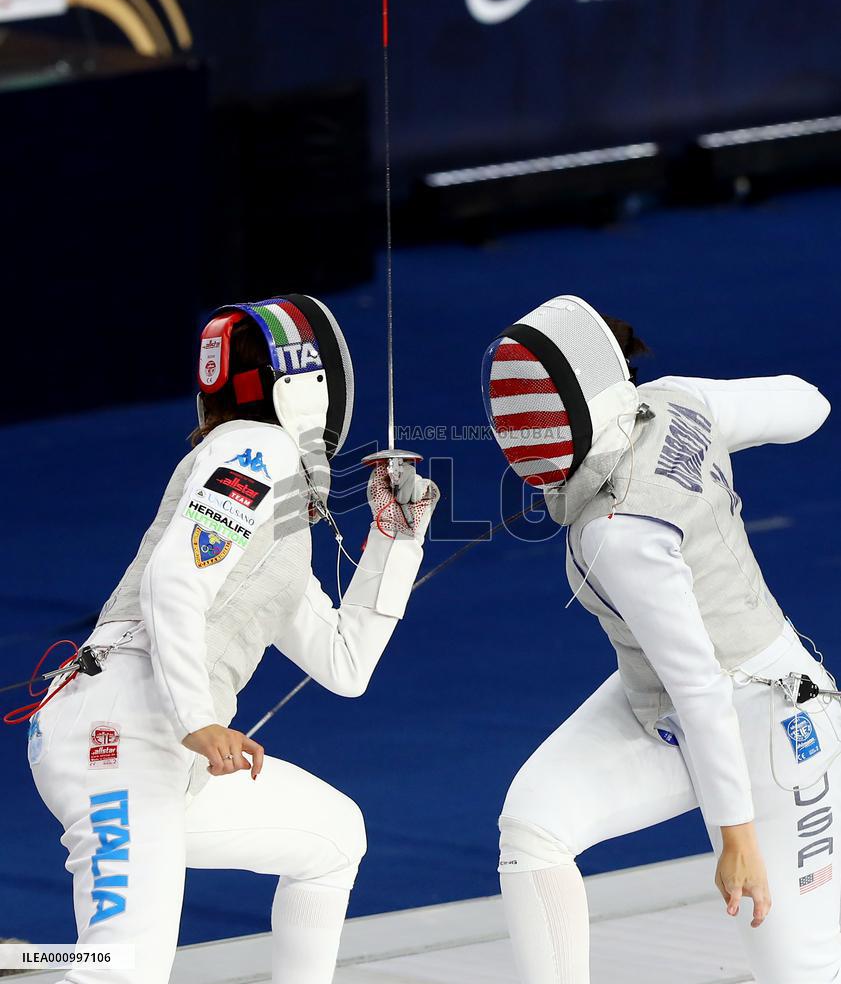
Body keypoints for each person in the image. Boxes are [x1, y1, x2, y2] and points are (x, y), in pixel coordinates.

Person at [26, 295, 438, 984]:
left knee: (332, 836)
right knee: (120, 970)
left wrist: (394, 542)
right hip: (123, 737)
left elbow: (344, 663)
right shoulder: (257, 447)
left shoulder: (277, 522)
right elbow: (173, 580)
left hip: (151, 744)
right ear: (308, 389)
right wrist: (201, 720)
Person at [482, 295, 838, 984]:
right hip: (660, 703)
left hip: (770, 721)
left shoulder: (620, 532)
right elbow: (807, 404)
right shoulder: (676, 402)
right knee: (533, 826)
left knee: (803, 975)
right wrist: (700, 442)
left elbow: (701, 683)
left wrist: (734, 838)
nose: (515, 433)